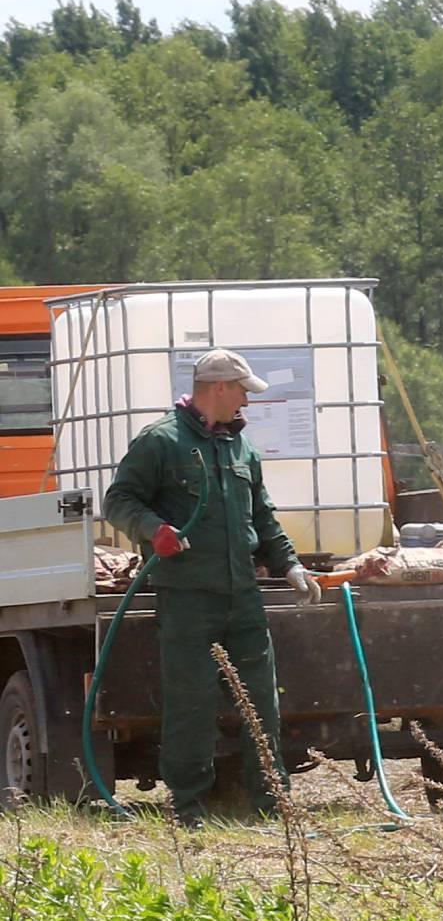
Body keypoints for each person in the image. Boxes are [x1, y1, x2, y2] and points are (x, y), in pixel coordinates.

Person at [102, 348, 321, 826]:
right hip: (186, 595)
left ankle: (271, 803)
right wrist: (153, 529)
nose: (248, 400)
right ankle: (189, 807)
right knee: (191, 700)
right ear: (219, 388)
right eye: (242, 390)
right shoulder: (161, 441)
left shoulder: (242, 448)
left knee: (262, 698)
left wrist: (290, 567)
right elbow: (118, 500)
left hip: (242, 594)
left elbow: (262, 517)